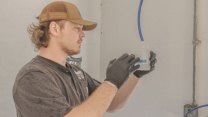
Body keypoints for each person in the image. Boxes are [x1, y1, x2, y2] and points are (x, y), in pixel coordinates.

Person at [13, 1, 157, 117]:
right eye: (77, 28)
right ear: (55, 29)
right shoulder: (33, 77)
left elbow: (112, 104)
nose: (83, 35)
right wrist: (111, 82)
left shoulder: (74, 72)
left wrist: (135, 76)